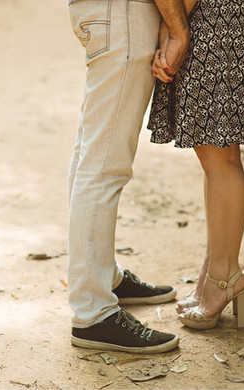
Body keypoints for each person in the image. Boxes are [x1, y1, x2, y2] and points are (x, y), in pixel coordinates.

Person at [147, 0, 244, 329]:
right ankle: (215, 273)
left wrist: (173, 28)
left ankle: (224, 277)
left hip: (214, 20)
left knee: (220, 159)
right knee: (220, 157)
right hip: (227, 17)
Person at [64, 0, 191, 354]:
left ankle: (103, 277)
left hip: (107, 13)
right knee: (103, 165)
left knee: (91, 154)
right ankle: (93, 313)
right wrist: (178, 30)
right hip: (122, 14)